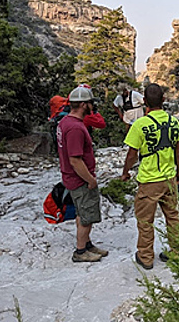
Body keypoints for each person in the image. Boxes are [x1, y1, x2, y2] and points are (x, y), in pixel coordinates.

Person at [121, 83, 179, 270]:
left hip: (149, 181)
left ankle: (146, 257)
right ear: (164, 100)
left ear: (145, 102)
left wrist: (125, 172)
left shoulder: (140, 125)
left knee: (145, 221)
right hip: (169, 178)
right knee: (172, 217)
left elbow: (132, 154)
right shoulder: (174, 122)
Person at [57, 86, 108, 262]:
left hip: (71, 177)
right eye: (91, 103)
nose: (92, 106)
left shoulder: (65, 122)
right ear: (84, 104)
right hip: (80, 179)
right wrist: (91, 180)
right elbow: (75, 160)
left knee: (81, 212)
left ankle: (87, 244)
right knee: (87, 215)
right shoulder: (76, 128)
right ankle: (80, 252)